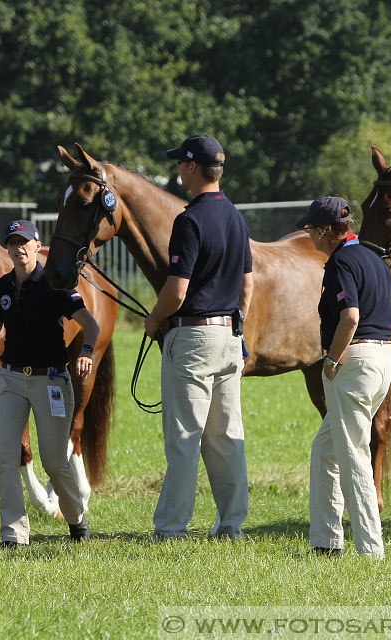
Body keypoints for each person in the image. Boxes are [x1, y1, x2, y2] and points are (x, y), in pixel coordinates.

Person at [0, 219, 99, 546]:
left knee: (55, 462)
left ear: (36, 244)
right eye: (12, 243)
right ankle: (14, 534)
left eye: (23, 242)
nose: (18, 248)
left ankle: (76, 517)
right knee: (6, 458)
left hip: (51, 381)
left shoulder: (55, 284)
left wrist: (85, 351)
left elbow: (90, 325)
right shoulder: (0, 288)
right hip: (10, 379)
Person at [144, 134, 253, 540]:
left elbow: (177, 291)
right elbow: (248, 285)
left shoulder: (188, 220)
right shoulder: (236, 217)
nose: (177, 169)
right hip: (229, 335)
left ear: (192, 167)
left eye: (180, 163)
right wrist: (238, 324)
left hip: (193, 340)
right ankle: (231, 525)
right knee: (227, 439)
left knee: (185, 438)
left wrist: (154, 319)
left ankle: (172, 528)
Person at [299, 196, 391, 559]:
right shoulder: (375, 259)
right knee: (326, 449)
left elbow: (350, 317)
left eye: (313, 228)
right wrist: (377, 345)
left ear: (330, 231)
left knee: (353, 455)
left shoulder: (341, 261)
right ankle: (326, 541)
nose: (310, 234)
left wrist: (332, 359)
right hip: (382, 357)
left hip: (354, 360)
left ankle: (370, 551)